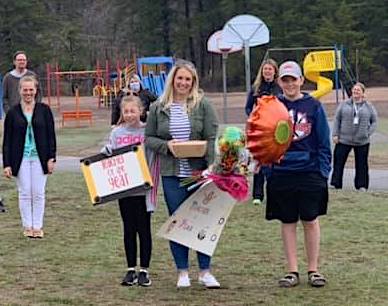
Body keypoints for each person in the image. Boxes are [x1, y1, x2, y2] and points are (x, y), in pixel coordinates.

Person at [145, 60, 220, 289]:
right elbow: (149, 138)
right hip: (172, 174)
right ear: (173, 80)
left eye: (188, 79)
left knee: (202, 221)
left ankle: (205, 271)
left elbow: (210, 136)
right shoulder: (159, 107)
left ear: (193, 82)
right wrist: (167, 146)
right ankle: (183, 271)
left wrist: (210, 167)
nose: (184, 83)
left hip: (199, 173)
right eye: (180, 78)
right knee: (179, 221)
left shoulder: (203, 105)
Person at [265, 61, 331, 288]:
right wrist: (268, 168)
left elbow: (324, 141)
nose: (290, 84)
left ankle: (313, 269)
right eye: (285, 80)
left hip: (310, 172)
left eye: (294, 79)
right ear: (279, 82)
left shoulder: (313, 106)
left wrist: (323, 172)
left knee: (310, 220)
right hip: (281, 173)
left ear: (301, 80)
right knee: (287, 221)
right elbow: (262, 138)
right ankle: (292, 270)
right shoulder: (272, 105)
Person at [101, 95, 156, 287]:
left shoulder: (147, 131)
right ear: (121, 113)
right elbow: (110, 151)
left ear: (141, 111)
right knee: (128, 229)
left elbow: (154, 150)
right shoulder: (117, 132)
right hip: (124, 190)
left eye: (133, 111)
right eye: (126, 111)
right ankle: (131, 268)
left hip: (143, 188)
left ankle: (144, 271)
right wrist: (106, 150)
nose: (130, 114)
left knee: (144, 229)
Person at [2, 75, 56, 238]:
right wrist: (7, 164)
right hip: (21, 158)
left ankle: (38, 226)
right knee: (25, 192)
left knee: (38, 193)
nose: (28, 93)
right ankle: (28, 226)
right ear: (20, 91)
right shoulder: (13, 113)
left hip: (40, 157)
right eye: (25, 90)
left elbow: (51, 135)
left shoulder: (44, 110)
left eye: (31, 89)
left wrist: (51, 157)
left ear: (36, 90)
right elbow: (7, 141)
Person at [245, 58, 282, 205]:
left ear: (275, 71)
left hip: (275, 130)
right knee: (259, 161)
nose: (267, 71)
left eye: (270, 69)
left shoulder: (279, 89)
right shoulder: (255, 88)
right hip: (259, 130)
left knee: (274, 161)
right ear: (262, 71)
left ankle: (274, 193)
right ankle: (257, 195)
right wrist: (253, 117)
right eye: (265, 69)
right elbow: (248, 107)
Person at [330, 82, 378, 190]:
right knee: (338, 162)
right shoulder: (344, 104)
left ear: (362, 93)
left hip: (362, 141)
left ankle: (361, 185)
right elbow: (337, 119)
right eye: (354, 90)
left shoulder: (368, 106)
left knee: (362, 164)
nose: (355, 92)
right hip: (344, 139)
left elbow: (374, 121)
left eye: (358, 90)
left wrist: (367, 133)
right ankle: (336, 184)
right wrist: (335, 134)